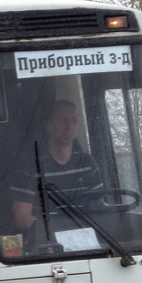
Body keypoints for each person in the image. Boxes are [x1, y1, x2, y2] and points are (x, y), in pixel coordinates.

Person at [10, 99, 103, 232]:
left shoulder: (88, 164)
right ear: (48, 125)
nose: (69, 126)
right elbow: (22, 218)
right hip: (47, 242)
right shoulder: (29, 168)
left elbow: (101, 210)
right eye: (62, 120)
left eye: (74, 120)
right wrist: (63, 228)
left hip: (86, 238)